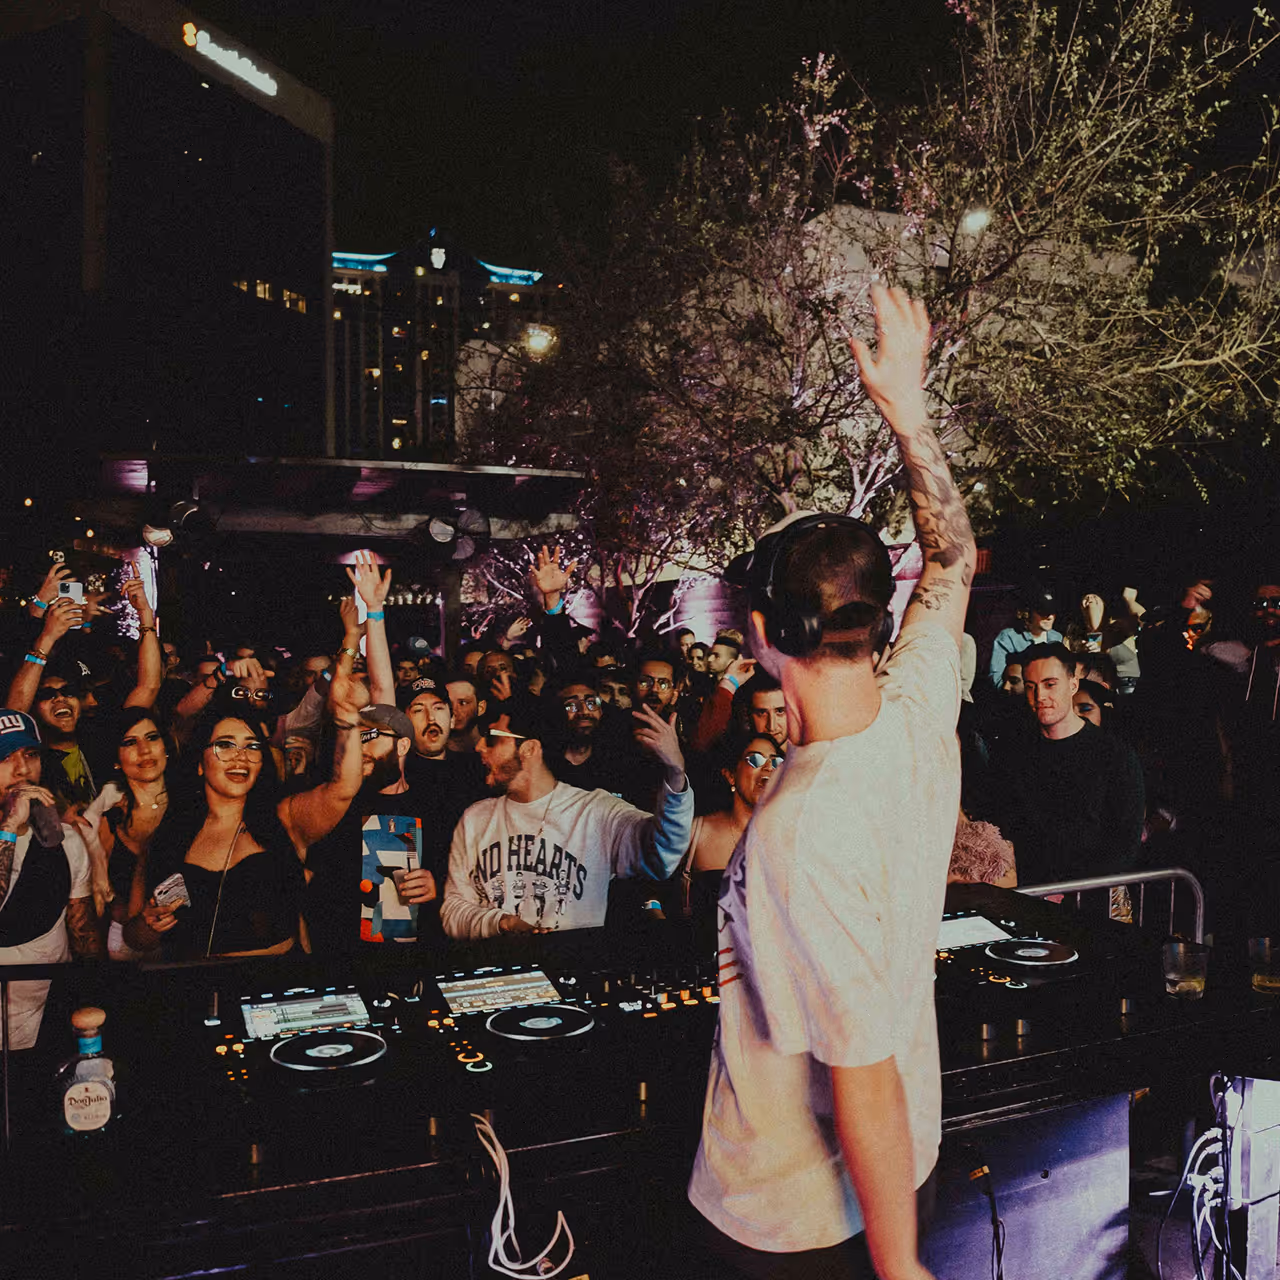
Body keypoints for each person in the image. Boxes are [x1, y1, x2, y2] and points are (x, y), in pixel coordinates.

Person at [689, 284, 974, 1280]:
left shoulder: (802, 829)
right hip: (904, 1165)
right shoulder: (916, 701)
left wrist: (898, 1269)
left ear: (764, 633)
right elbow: (953, 557)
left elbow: (860, 1075)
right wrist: (907, 410)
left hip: (796, 1215)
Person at [123, 646, 365, 958]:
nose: (240, 756)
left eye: (251, 747)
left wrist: (348, 720)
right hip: (197, 982)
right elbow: (136, 938)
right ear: (200, 763)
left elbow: (343, 788)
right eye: (225, 745)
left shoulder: (284, 818)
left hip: (276, 982)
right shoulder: (171, 833)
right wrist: (149, 925)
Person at [440, 699, 693, 938]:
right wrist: (502, 923)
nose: (479, 747)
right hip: (497, 968)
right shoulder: (475, 819)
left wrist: (675, 774)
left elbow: (662, 855)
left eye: (492, 739)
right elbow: (452, 911)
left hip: (574, 964)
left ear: (529, 749)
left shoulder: (595, 811)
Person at [985, 642, 1145, 886]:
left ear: (1073, 685)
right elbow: (1000, 822)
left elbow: (1124, 843)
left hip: (1089, 895)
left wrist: (1072, 890)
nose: (1040, 696)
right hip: (1025, 891)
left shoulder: (1114, 756)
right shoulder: (1011, 753)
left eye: (1050, 684)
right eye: (1031, 686)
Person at [0, 709, 101, 1051]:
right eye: (5, 757)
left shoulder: (63, 840)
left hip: (45, 1031)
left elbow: (83, 937)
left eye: (30, 754)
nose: (22, 769)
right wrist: (9, 827)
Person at [676, 731, 783, 934]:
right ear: (730, 775)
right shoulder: (698, 833)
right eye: (755, 759)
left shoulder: (792, 839)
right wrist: (656, 917)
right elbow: (649, 886)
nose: (769, 767)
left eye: (776, 761)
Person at [987, 587, 1063, 688]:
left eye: (1053, 612)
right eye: (1043, 612)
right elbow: (995, 676)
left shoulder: (1057, 637)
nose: (1050, 617)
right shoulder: (1009, 637)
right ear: (1027, 613)